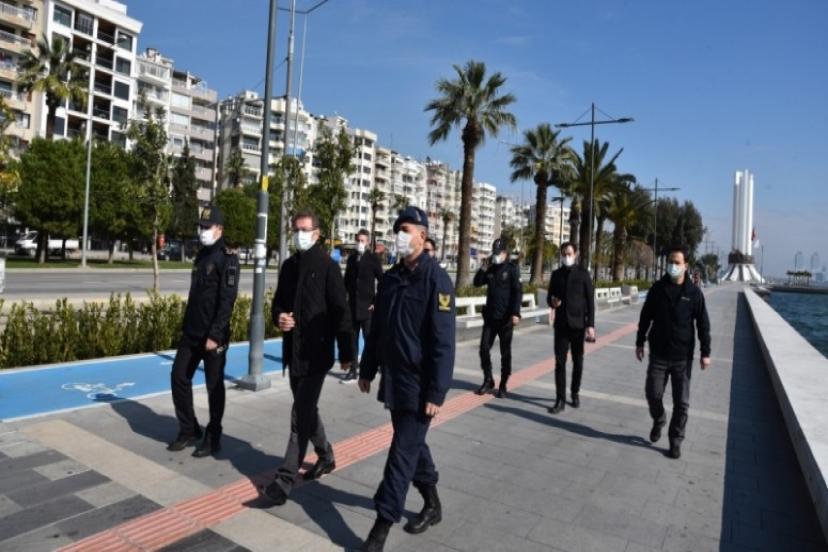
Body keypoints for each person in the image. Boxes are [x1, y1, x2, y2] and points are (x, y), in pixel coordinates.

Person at [357, 207, 456, 552]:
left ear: (422, 236)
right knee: (411, 445)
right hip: (394, 381)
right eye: (397, 228)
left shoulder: (436, 280)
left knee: (401, 454)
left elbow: (444, 343)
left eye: (406, 229)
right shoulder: (391, 279)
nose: (399, 234)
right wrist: (367, 369)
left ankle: (380, 528)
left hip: (420, 385)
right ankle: (432, 503)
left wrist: (437, 392)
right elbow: (378, 330)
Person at [262, 210, 354, 505]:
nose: (299, 234)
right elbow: (278, 303)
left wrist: (347, 352)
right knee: (307, 410)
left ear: (316, 233)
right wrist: (279, 317)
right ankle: (326, 455)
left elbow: (341, 310)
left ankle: (284, 480)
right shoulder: (289, 266)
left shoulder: (328, 266)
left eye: (304, 229)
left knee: (299, 414)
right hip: (293, 352)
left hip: (317, 354)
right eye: (296, 229)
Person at [168, 206, 239, 458]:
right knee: (178, 377)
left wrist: (216, 335)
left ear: (219, 229)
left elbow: (227, 301)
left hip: (212, 336)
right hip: (192, 332)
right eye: (201, 226)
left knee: (214, 387)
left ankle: (213, 436)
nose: (202, 231)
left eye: (207, 227)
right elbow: (195, 296)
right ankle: (189, 429)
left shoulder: (228, 258)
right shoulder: (201, 256)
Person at [636, 245, 711, 459]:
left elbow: (703, 324)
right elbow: (645, 316)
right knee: (653, 393)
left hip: (682, 357)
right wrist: (640, 341)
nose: (673, 265)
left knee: (682, 403)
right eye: (670, 262)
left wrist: (705, 352)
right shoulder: (658, 289)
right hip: (658, 354)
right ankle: (659, 419)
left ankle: (675, 440)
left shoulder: (694, 293)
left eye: (677, 262)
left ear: (685, 265)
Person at [546, 242, 595, 414]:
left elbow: (590, 301)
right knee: (559, 363)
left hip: (578, 325)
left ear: (576, 254)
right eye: (564, 254)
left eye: (569, 254)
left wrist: (590, 325)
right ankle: (560, 399)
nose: (566, 257)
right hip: (561, 325)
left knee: (578, 361)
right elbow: (549, 297)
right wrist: (552, 301)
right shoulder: (556, 275)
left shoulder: (583, 274)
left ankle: (575, 392)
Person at [472, 237, 521, 398]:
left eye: (498, 253)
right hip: (490, 319)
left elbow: (517, 292)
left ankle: (503, 384)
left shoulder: (512, 269)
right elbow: (477, 283)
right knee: (483, 349)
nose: (495, 255)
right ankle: (488, 379)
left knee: (505, 353)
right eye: (494, 252)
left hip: (506, 320)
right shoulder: (491, 269)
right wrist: (483, 268)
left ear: (505, 253)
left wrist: (515, 313)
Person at [343, 229, 384, 383]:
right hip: (352, 307)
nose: (359, 243)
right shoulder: (351, 259)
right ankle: (353, 370)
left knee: (370, 339)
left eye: (362, 241)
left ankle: (377, 363)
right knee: (352, 339)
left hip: (368, 308)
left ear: (367, 243)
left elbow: (382, 281)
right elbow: (346, 282)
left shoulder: (373, 259)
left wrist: (375, 302)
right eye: (358, 240)